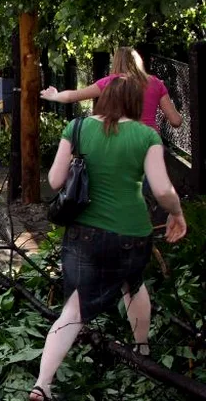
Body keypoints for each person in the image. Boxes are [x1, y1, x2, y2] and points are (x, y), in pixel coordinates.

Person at [29, 76, 187, 401]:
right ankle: (141, 347)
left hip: (82, 235)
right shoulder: (146, 136)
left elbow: (56, 180)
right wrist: (176, 213)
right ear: (134, 103)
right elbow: (161, 190)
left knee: (72, 310)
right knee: (133, 283)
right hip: (132, 234)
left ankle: (42, 384)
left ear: (102, 100)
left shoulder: (76, 128)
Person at [40, 46, 182, 132]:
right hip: (151, 144)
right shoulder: (156, 83)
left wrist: (55, 96)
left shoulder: (110, 82)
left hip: (121, 142)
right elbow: (176, 121)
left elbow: (73, 96)